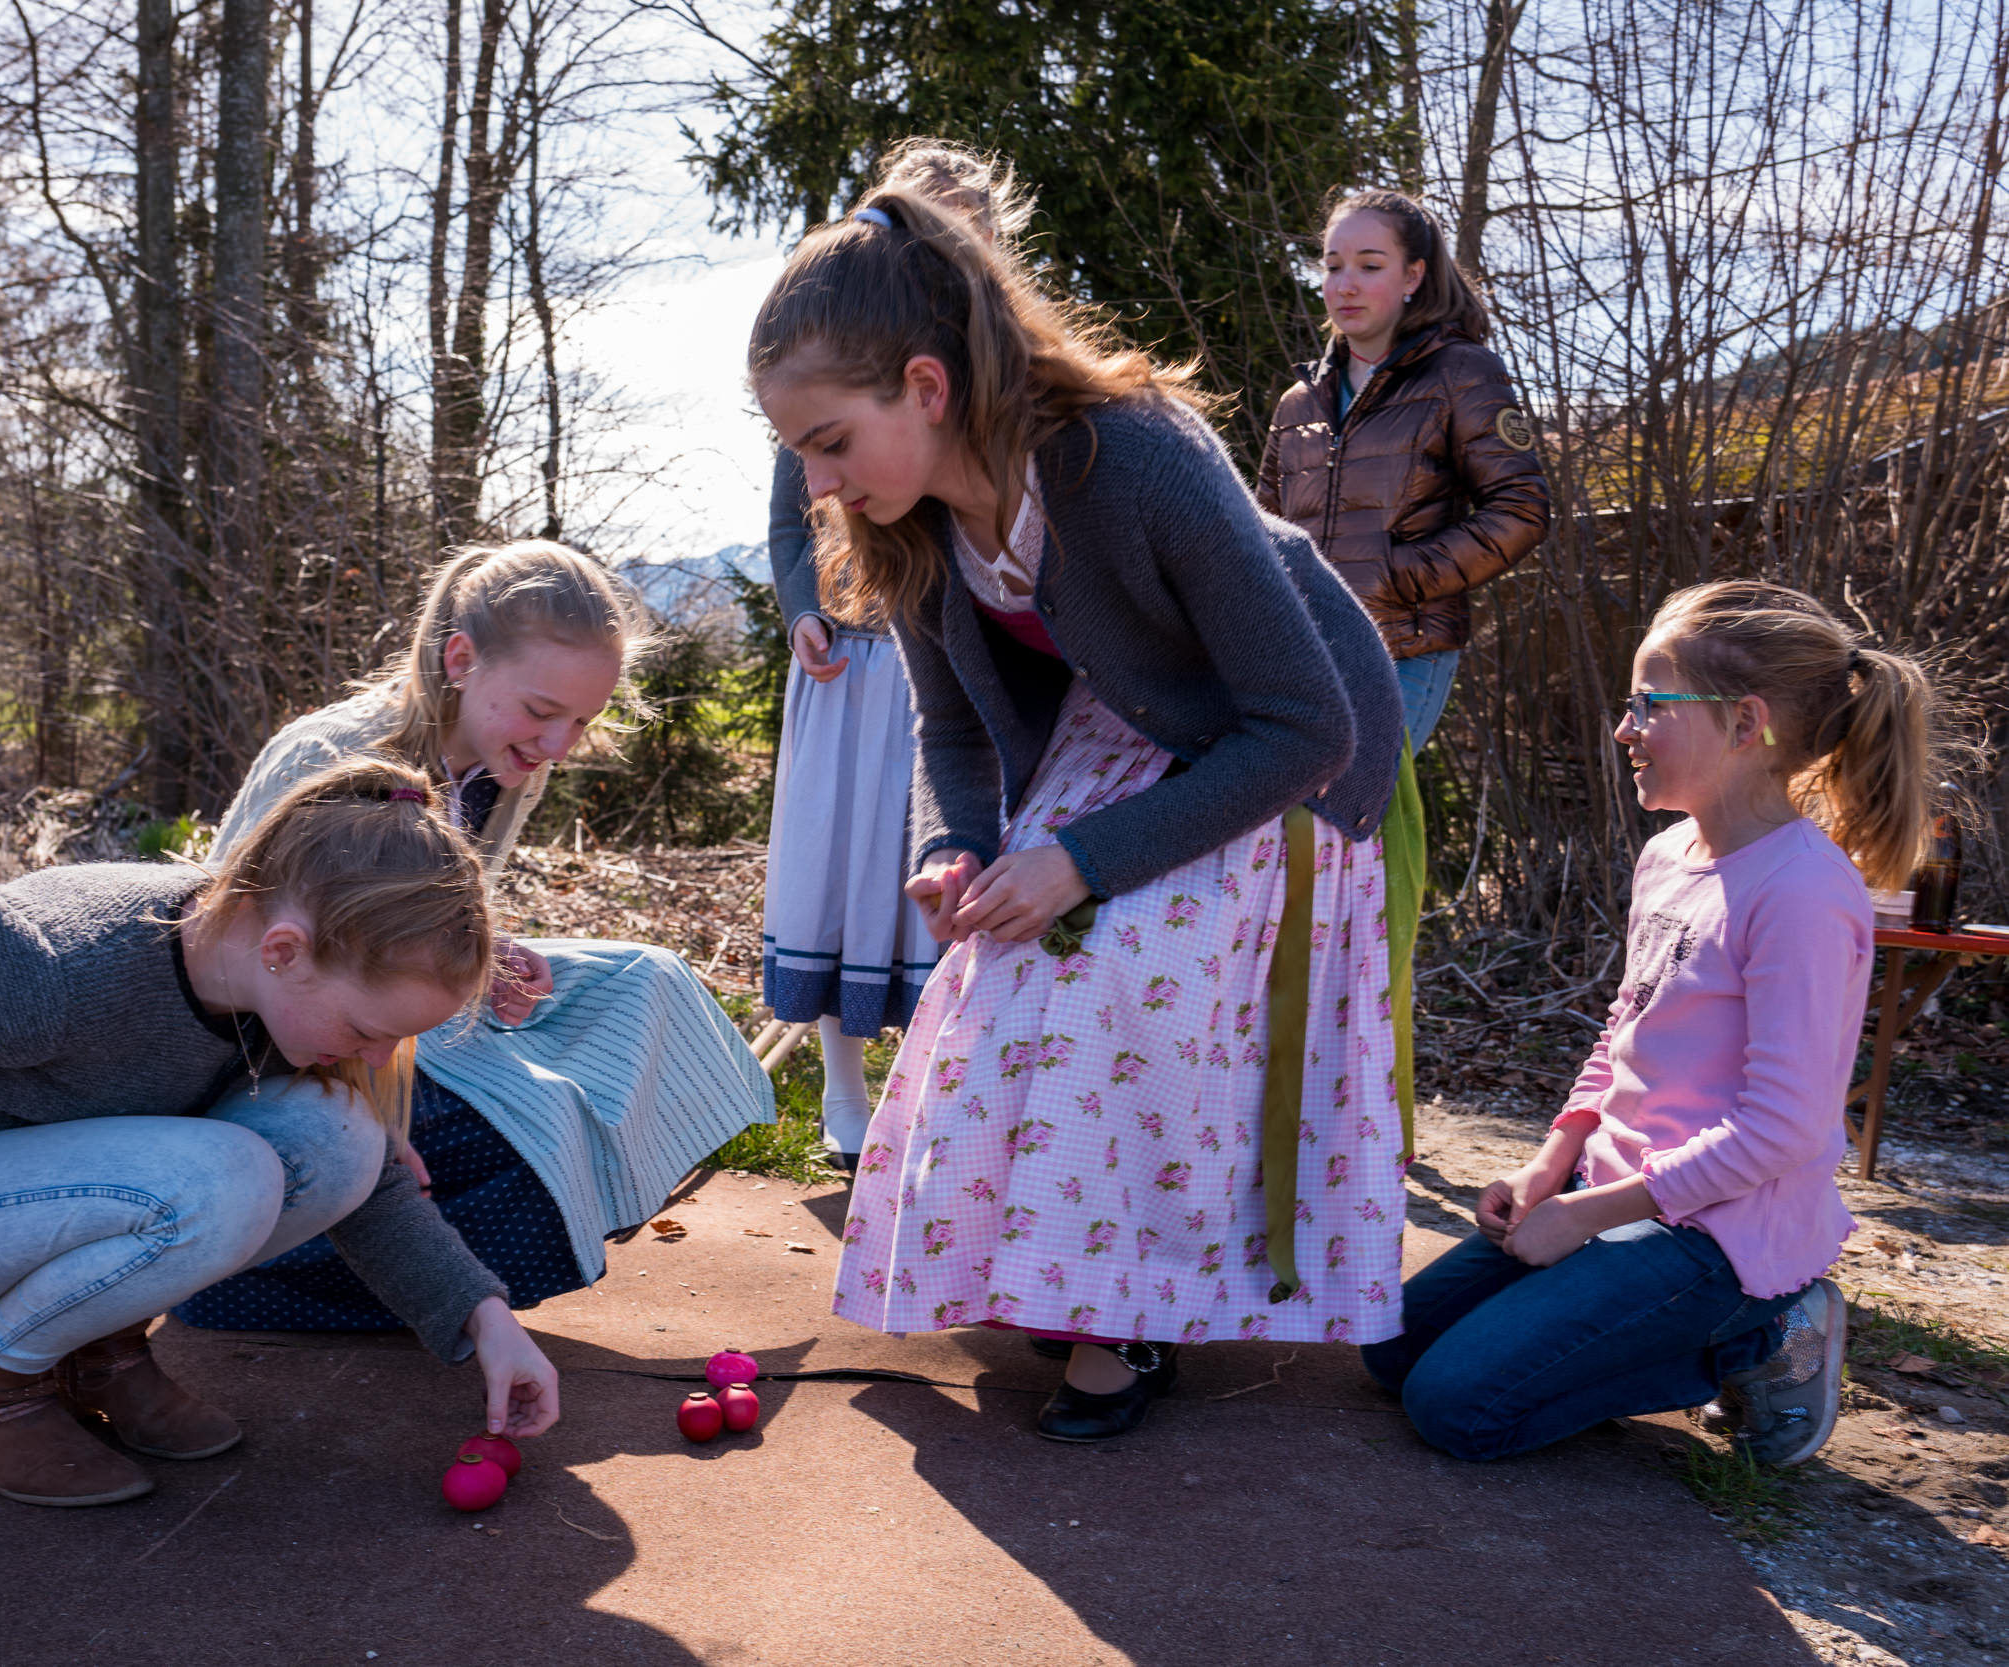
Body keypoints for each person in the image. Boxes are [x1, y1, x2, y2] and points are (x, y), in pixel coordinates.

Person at [751, 176, 1409, 1443]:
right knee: (1005, 957)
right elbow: (952, 729)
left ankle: (1135, 1306)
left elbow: (1303, 725)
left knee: (1123, 960)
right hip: (1123, 728)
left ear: (926, 387)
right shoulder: (910, 525)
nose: (817, 484)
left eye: (829, 442)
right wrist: (957, 847)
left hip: (1284, 746)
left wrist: (1083, 860)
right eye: (800, 454)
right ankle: (1061, 1256)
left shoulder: (1134, 453)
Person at [0, 757, 560, 1508]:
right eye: (365, 1028)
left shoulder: (257, 965)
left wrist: (489, 1321)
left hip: (5, 1200)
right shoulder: (49, 965)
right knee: (224, 1177)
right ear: (285, 949)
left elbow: (369, 1181)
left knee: (341, 1136)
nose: (377, 1055)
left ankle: (97, 1352)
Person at [1362, 581, 1940, 1466]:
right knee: (1391, 1351)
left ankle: (1764, 1334)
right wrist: (1553, 1162)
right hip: (1614, 1193)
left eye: (1649, 706)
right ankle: (1620, 1318)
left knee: (1457, 1409)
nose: (1623, 729)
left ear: (1744, 723)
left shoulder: (1802, 893)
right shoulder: (1669, 854)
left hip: (1716, 1236)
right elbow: (1625, 1031)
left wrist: (1586, 1217)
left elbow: (1782, 1129)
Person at [173, 539, 774, 1333]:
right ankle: (263, 1273)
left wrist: (487, 955)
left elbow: (419, 925)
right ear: (461, 659)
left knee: (648, 978)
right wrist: (375, 1107)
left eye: (582, 721)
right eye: (541, 711)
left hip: (392, 1010)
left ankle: (511, 1207)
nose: (558, 745)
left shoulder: (507, 764)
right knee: (541, 1112)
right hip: (275, 1048)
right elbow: (249, 968)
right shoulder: (329, 761)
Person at [764, 140, 1028, 1167]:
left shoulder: (1007, 366)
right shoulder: (830, 353)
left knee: (937, 867)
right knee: (841, 874)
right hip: (847, 661)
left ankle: (941, 1095)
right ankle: (843, 1090)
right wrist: (802, 610)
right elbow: (791, 520)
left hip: (956, 664)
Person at [1255, 188, 1550, 754]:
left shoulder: (1461, 372)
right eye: (1333, 267)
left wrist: (1398, 576)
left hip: (1403, 649)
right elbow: (1262, 530)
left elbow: (1521, 509)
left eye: (1369, 267)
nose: (1345, 285)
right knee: (1292, 810)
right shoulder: (1299, 402)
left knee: (1360, 799)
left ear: (1413, 275)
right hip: (1302, 654)